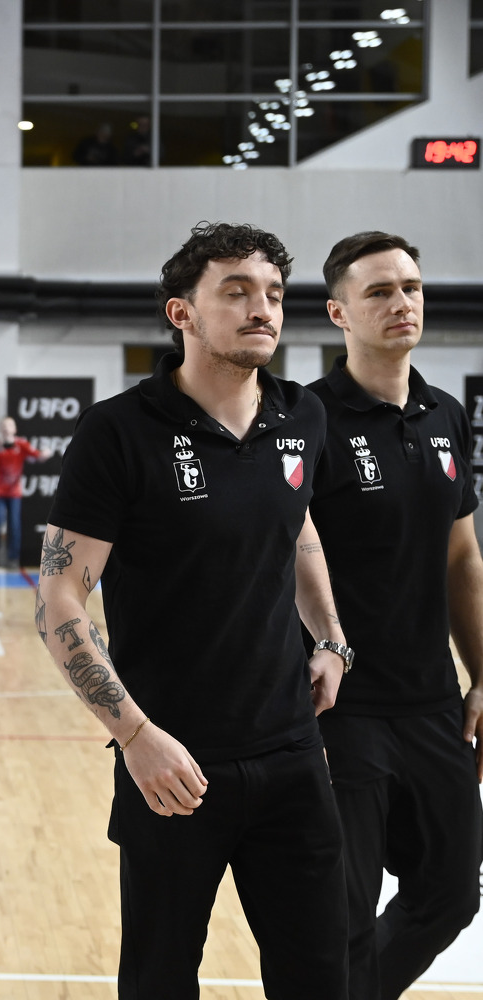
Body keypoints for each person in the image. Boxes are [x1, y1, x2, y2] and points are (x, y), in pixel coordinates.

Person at [38, 222, 350, 999]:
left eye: (272, 293)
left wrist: (331, 638)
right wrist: (134, 736)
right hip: (172, 763)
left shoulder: (302, 417)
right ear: (181, 313)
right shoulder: (119, 431)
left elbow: (297, 526)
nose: (261, 309)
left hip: (291, 753)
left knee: (319, 977)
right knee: (160, 981)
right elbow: (58, 599)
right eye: (235, 292)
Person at [306, 231, 483, 1000]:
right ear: (338, 312)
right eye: (377, 291)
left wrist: (480, 677)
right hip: (341, 708)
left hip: (433, 704)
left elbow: (462, 560)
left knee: (451, 892)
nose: (400, 302)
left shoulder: (446, 415)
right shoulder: (305, 419)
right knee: (339, 916)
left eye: (409, 287)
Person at [0, 416, 52, 567]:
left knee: (14, 523)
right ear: (0, 429)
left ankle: (13, 557)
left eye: (9, 425)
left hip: (14, 491)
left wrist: (46, 453)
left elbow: (38, 456)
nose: (6, 428)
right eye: (3, 425)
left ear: (14, 429)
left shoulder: (21, 444)